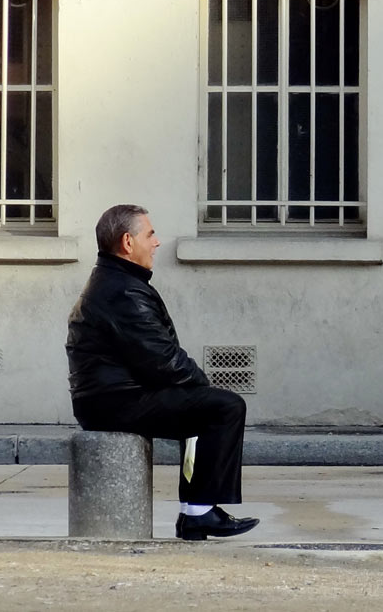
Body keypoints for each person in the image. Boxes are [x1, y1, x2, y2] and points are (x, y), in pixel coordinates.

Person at [66, 204, 259, 541]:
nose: (156, 242)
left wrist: (197, 390)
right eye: (150, 234)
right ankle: (199, 512)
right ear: (128, 242)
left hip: (109, 398)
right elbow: (162, 360)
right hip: (114, 402)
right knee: (224, 407)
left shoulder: (117, 281)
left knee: (204, 407)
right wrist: (202, 385)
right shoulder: (122, 290)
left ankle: (196, 511)